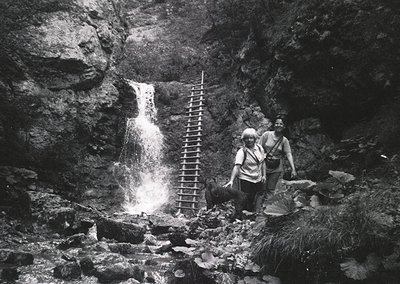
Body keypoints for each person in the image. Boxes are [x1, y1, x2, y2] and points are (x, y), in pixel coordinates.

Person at [224, 128, 266, 217]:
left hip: (257, 178)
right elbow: (237, 166)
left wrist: (264, 175)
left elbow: (262, 162)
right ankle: (244, 218)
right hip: (246, 178)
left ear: (255, 138)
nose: (249, 140)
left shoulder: (259, 148)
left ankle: (255, 216)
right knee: (246, 199)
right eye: (247, 138)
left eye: (251, 138)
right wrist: (231, 180)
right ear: (243, 139)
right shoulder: (242, 152)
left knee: (257, 198)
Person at [259, 117, 297, 194]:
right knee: (261, 188)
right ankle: (257, 205)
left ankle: (267, 205)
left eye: (281, 124)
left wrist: (293, 169)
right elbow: (258, 148)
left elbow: (288, 154)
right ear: (274, 125)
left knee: (270, 189)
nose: (278, 125)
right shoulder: (266, 135)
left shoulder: (284, 140)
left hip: (276, 167)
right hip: (264, 165)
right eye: (277, 123)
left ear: (284, 127)